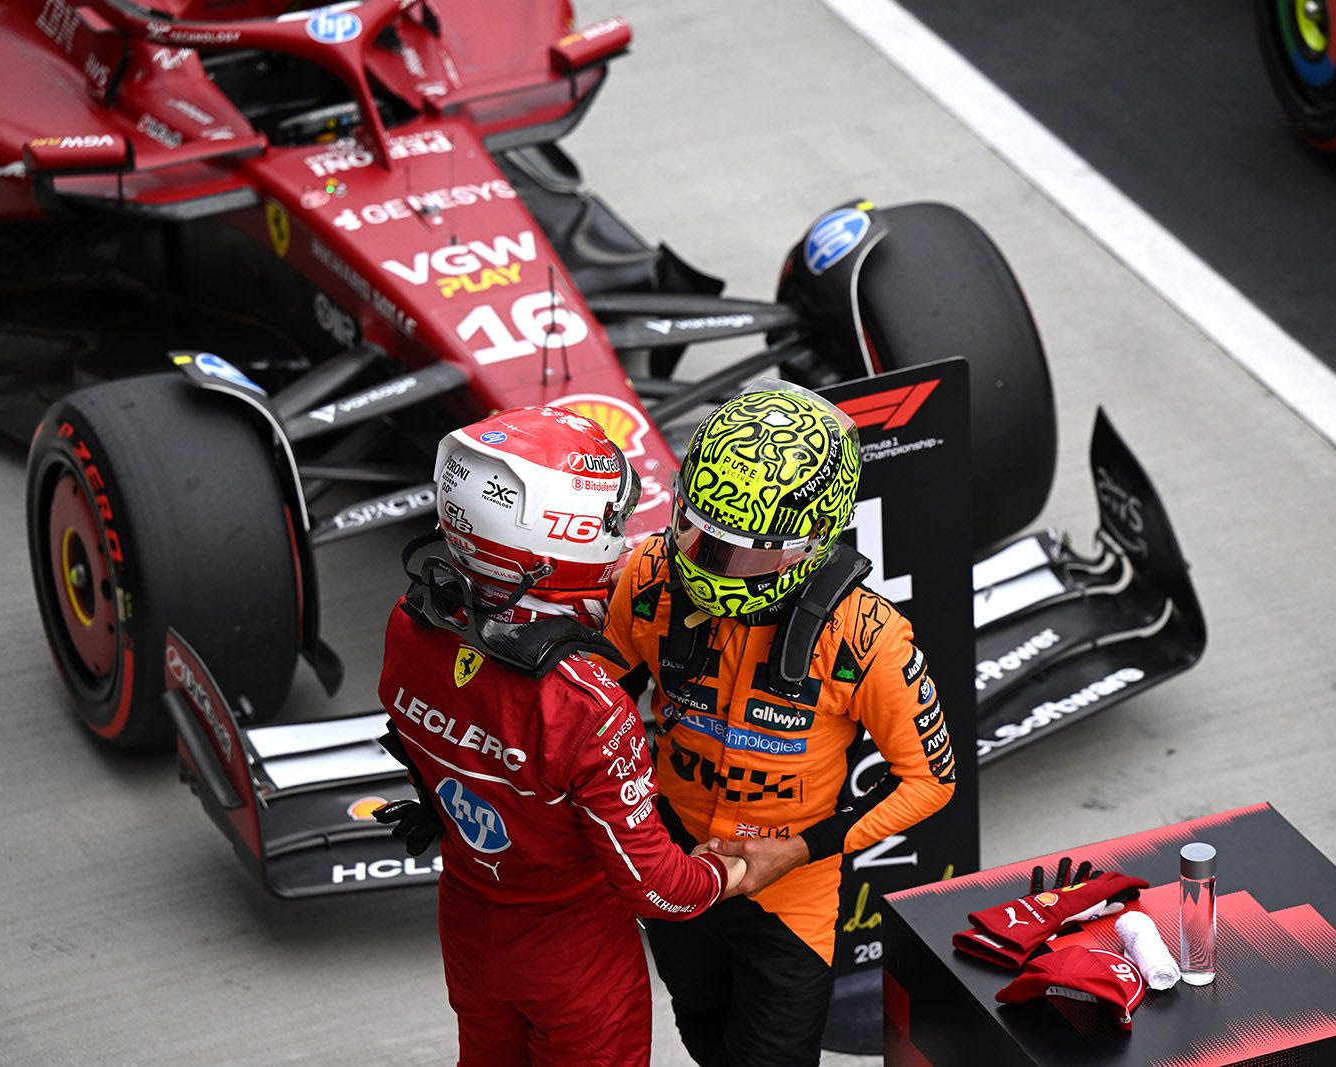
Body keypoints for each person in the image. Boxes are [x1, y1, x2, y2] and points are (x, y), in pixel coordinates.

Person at [593, 380, 958, 1065]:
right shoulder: (647, 576)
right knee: (703, 1037)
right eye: (697, 530)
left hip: (791, 894)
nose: (706, 562)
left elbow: (930, 780)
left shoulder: (868, 636)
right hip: (673, 863)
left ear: (811, 543)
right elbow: (587, 703)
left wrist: (799, 849)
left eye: (742, 549)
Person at [374, 405, 747, 1067]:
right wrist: (730, 870)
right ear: (562, 538)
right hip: (575, 956)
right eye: (610, 521)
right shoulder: (588, 706)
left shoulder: (409, 622)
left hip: (468, 925)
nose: (620, 536)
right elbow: (657, 887)